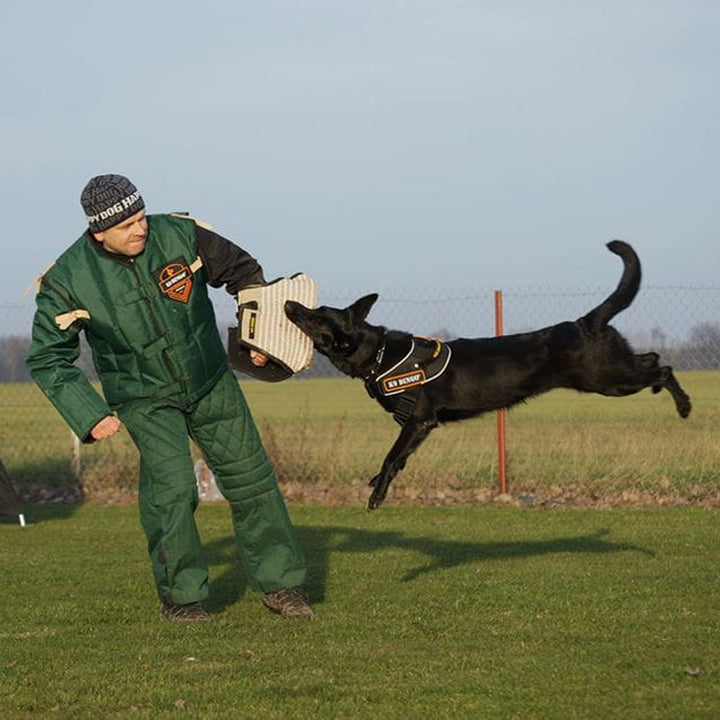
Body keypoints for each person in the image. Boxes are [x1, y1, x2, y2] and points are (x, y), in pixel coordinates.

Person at [26, 174, 313, 622]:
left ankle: (283, 587)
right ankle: (182, 598)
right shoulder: (68, 280)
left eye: (141, 217)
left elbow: (243, 272)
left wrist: (257, 335)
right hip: (143, 398)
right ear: (99, 232)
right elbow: (48, 358)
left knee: (253, 479)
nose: (140, 229)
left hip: (210, 380)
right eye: (126, 226)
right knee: (173, 490)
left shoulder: (181, 233)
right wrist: (89, 413)